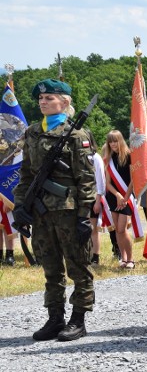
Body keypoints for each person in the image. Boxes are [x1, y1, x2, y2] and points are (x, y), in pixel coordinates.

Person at [13, 79, 95, 341]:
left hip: (69, 212)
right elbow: (26, 174)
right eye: (41, 98)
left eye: (49, 97)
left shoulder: (77, 135)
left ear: (66, 101)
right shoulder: (33, 132)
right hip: (40, 212)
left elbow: (86, 180)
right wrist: (20, 207)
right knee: (50, 268)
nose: (43, 101)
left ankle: (78, 320)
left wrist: (85, 217)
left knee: (78, 266)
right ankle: (55, 318)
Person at [103, 130, 135, 269]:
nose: (113, 144)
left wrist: (125, 198)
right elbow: (107, 183)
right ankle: (123, 258)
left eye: (115, 140)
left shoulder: (129, 156)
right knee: (117, 229)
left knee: (122, 229)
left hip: (127, 197)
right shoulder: (108, 159)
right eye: (110, 141)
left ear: (120, 140)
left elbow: (133, 180)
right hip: (113, 196)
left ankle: (131, 260)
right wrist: (118, 195)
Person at [89, 147, 107, 266]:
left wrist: (98, 200)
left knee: (93, 228)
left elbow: (100, 181)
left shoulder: (96, 158)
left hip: (93, 196)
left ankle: (95, 256)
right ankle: (87, 255)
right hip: (79, 197)